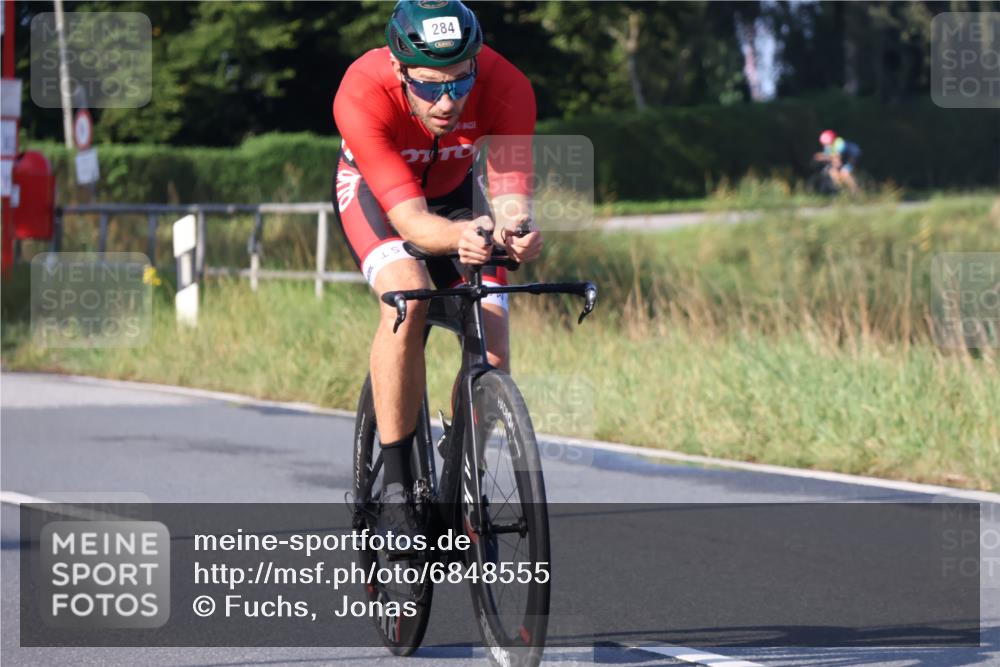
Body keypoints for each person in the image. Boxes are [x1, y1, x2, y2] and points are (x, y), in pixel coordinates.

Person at [331, 0, 542, 556]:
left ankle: (461, 471)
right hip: (380, 199)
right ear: (399, 69)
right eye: (427, 87)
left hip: (455, 194)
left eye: (459, 81)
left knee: (493, 342)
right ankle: (399, 485)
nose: (446, 101)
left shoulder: (507, 85)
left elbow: (513, 190)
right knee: (407, 295)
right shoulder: (360, 91)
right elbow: (410, 224)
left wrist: (516, 228)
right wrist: (461, 239)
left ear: (477, 62)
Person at [815, 129, 861, 194]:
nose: (825, 145)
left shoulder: (839, 143)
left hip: (851, 156)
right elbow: (829, 156)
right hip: (842, 157)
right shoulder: (827, 146)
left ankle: (855, 191)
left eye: (826, 143)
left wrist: (826, 158)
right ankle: (842, 190)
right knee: (832, 172)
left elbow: (837, 159)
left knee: (844, 172)